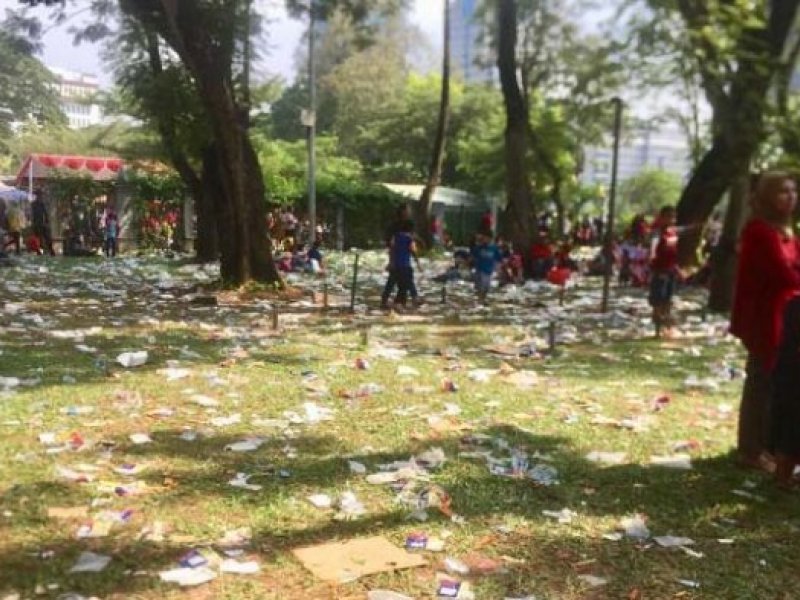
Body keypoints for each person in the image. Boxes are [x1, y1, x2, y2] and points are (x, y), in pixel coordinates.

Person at [731, 172, 800, 472]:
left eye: (793, 192)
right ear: (768, 195)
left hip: (786, 312)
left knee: (777, 381)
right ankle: (750, 449)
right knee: (760, 380)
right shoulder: (759, 230)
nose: (790, 197)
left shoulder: (785, 229)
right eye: (782, 192)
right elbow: (780, 273)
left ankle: (768, 445)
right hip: (763, 313)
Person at [648, 205, 697, 337]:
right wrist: (652, 253)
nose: (672, 219)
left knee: (668, 299)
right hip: (660, 271)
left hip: (671, 271)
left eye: (673, 217)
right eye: (669, 216)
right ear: (662, 217)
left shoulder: (673, 231)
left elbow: (685, 229)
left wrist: (696, 226)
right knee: (658, 300)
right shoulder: (658, 233)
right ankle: (657, 329)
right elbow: (654, 243)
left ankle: (666, 328)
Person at [770, 294, 800, 488]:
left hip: (788, 372)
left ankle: (784, 474)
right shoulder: (795, 307)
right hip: (794, 375)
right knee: (792, 425)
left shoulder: (793, 305)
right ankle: (783, 476)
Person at [381, 219, 419, 309]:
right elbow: (413, 251)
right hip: (405, 266)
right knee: (406, 284)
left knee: (390, 283)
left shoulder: (396, 236)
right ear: (411, 229)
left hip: (395, 265)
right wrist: (418, 263)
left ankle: (384, 301)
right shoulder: (410, 238)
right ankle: (406, 301)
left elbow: (391, 249)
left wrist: (390, 262)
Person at [471, 231, 502, 302]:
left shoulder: (494, 248)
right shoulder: (479, 248)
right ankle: (480, 299)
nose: (484, 240)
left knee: (486, 287)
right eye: (483, 238)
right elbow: (473, 257)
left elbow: (498, 259)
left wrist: (498, 268)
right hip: (479, 269)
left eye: (486, 238)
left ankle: (483, 298)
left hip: (488, 270)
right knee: (480, 286)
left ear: (490, 239)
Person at [31, 191, 55, 256]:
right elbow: (33, 215)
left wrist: (47, 222)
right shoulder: (34, 204)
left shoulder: (42, 204)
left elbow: (46, 214)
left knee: (46, 238)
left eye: (40, 195)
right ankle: (41, 252)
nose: (39, 197)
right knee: (39, 239)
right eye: (38, 195)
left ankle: (51, 251)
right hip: (37, 224)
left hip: (42, 224)